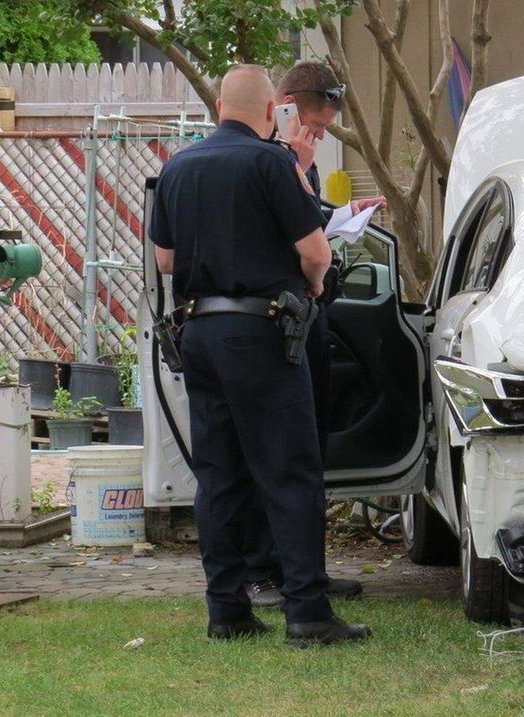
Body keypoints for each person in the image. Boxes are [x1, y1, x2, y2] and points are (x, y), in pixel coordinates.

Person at [150, 64, 370, 646]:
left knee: (219, 475)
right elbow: (317, 253)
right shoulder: (271, 162)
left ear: (219, 105)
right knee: (289, 471)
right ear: (273, 111)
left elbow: (166, 261)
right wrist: (314, 287)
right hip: (264, 334)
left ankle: (226, 610)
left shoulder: (178, 167)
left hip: (199, 334)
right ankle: (308, 613)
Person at [241, 60, 385, 609]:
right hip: (270, 319)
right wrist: (295, 168)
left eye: (325, 130)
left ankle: (304, 570)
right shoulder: (263, 159)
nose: (319, 138)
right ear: (285, 106)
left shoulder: (295, 162)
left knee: (307, 448)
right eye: (315, 126)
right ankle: (264, 569)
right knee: (271, 451)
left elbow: (305, 221)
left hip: (307, 318)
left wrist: (343, 213)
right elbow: (275, 235)